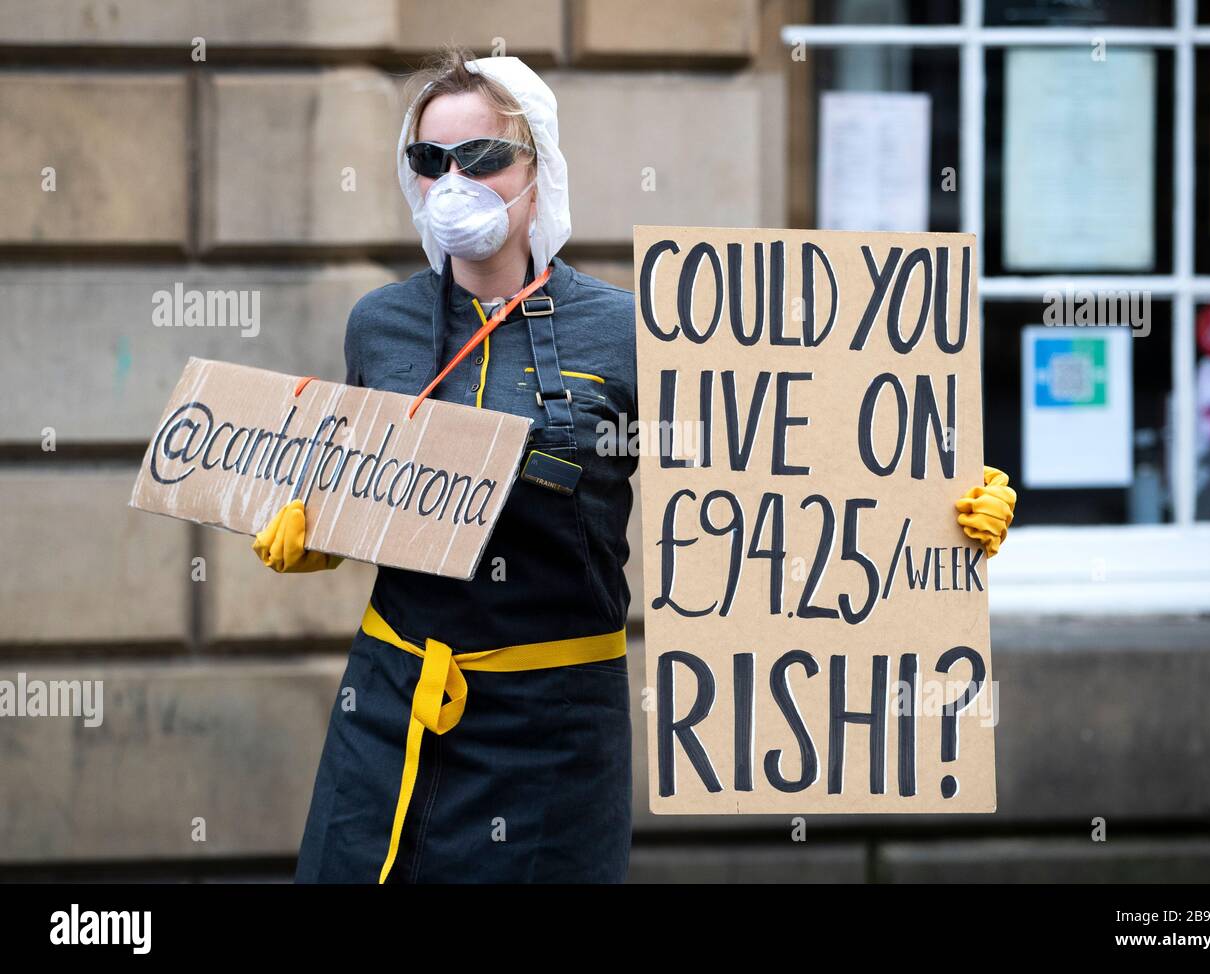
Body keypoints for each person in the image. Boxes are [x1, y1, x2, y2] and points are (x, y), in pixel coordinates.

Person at [251, 47, 1017, 884]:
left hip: (555, 733)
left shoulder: (629, 331)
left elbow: (780, 463)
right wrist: (317, 528)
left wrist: (935, 505)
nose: (453, 182)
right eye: (430, 161)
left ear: (537, 167)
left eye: (480, 158)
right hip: (390, 707)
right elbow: (372, 485)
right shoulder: (379, 325)